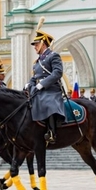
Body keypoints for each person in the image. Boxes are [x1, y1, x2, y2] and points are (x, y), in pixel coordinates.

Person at [25, 16, 65, 145]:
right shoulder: (38, 61)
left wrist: (43, 84)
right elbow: (34, 76)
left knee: (48, 102)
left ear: (43, 43)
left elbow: (57, 73)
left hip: (51, 89)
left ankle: (52, 132)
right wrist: (29, 84)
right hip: (37, 90)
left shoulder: (53, 56)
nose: (35, 47)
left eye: (36, 44)